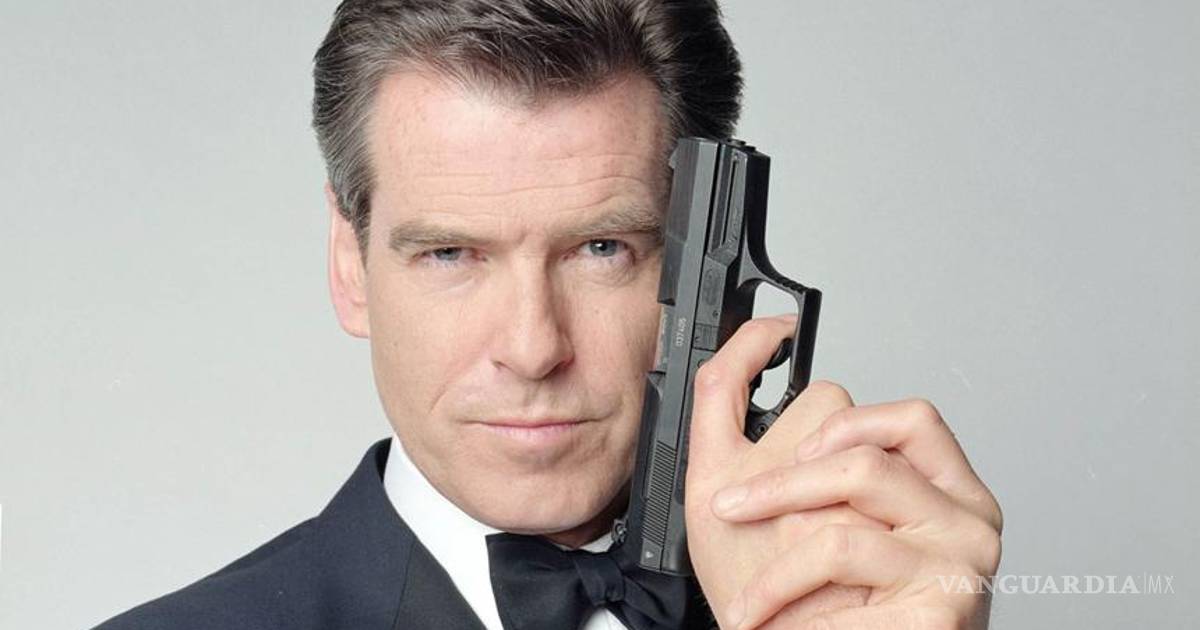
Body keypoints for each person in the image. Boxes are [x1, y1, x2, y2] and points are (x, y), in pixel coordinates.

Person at [95, 1, 1002, 629]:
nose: (533, 349)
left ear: (706, 274)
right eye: (451, 254)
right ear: (350, 265)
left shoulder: (856, 609)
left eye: (601, 249)